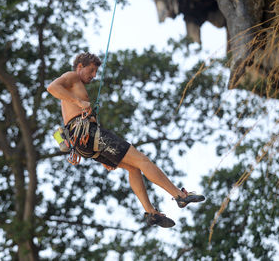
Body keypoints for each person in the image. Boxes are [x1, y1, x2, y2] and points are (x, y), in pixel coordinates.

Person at [47, 52, 205, 228]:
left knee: (133, 168)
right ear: (79, 67)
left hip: (87, 142)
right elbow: (52, 88)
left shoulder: (74, 86)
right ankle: (180, 196)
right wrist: (79, 102)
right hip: (88, 134)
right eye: (91, 70)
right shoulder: (71, 77)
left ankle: (151, 213)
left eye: (95, 72)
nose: (93, 75)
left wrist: (101, 156)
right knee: (143, 161)